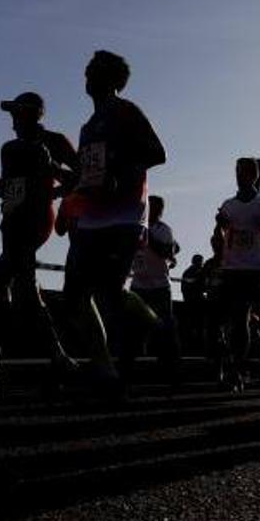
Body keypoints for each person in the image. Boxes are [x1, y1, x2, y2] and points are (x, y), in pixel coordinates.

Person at [63, 50, 166, 397]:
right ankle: (103, 366)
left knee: (109, 291)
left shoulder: (126, 111)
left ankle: (152, 324)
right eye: (87, 70)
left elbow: (156, 152)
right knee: (75, 294)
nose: (87, 76)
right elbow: (87, 173)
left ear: (111, 79)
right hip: (91, 219)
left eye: (94, 71)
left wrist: (117, 176)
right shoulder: (87, 127)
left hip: (124, 216)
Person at [0, 92, 77, 391]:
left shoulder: (55, 142)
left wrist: (51, 184)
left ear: (30, 116)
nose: (12, 123)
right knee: (26, 292)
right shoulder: (10, 149)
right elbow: (10, 191)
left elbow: (80, 177)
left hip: (35, 222)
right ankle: (59, 357)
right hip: (12, 222)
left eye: (16, 116)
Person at [215, 158, 260, 390]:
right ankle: (234, 365)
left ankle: (237, 369)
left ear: (253, 174)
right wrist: (219, 226)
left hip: (252, 269)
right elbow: (218, 236)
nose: (238, 175)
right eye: (237, 171)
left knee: (241, 317)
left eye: (243, 171)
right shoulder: (227, 204)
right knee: (227, 320)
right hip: (230, 267)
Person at [130, 195, 180, 379]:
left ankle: (170, 368)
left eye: (158, 207)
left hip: (159, 286)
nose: (154, 210)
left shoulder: (163, 229)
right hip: (138, 284)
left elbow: (165, 251)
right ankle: (127, 369)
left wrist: (147, 236)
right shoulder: (136, 226)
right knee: (133, 327)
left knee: (166, 328)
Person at [180, 254, 208, 355]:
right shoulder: (197, 273)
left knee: (190, 327)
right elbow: (204, 287)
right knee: (198, 326)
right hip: (196, 303)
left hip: (189, 302)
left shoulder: (187, 272)